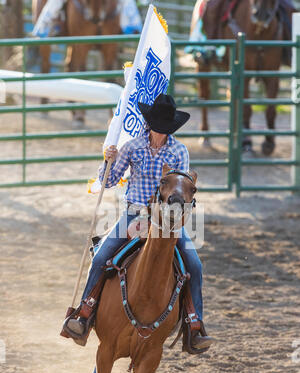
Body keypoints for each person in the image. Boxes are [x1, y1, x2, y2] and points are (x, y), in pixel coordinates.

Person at [64, 94, 214, 351]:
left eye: (166, 126)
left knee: (195, 266)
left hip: (167, 220)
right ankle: (85, 314)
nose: (161, 130)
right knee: (101, 257)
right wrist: (108, 160)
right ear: (151, 122)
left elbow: (184, 190)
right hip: (133, 213)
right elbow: (109, 181)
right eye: (158, 124)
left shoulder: (179, 151)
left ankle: (194, 324)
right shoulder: (133, 147)